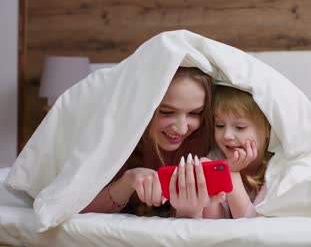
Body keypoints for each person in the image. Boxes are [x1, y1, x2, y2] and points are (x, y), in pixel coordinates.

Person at [81, 67, 225, 218]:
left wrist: (190, 207)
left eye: (195, 113)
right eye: (167, 112)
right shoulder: (112, 139)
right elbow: (71, 212)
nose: (182, 129)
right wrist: (127, 182)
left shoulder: (207, 139)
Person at [203, 85, 273, 218]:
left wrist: (232, 173)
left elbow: (248, 225)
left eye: (240, 127)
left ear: (267, 129)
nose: (227, 135)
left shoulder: (275, 168)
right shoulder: (215, 159)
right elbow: (213, 225)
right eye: (219, 125)